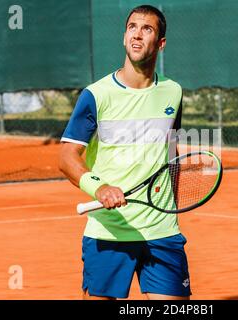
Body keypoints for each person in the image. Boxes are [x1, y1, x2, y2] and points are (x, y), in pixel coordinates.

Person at [58, 5, 190, 300]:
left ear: (161, 43)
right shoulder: (96, 94)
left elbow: (171, 150)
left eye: (147, 29)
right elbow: (66, 157)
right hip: (109, 234)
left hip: (161, 231)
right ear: (124, 37)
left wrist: (173, 208)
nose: (137, 35)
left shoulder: (173, 92)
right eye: (132, 27)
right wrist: (99, 187)